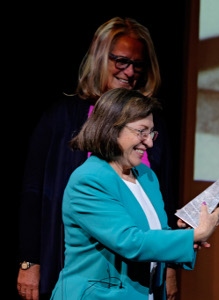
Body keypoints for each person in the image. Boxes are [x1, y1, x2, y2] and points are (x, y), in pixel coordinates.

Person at [17, 17, 180, 300]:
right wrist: (29, 262)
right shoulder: (61, 118)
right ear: (99, 58)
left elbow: (162, 202)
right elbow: (34, 195)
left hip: (136, 276)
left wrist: (170, 267)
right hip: (78, 267)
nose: (130, 72)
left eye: (138, 64)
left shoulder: (153, 127)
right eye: (121, 61)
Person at [49, 87, 219, 299]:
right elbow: (130, 242)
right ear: (112, 128)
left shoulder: (146, 176)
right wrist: (197, 235)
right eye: (142, 132)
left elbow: (152, 236)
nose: (149, 142)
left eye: (151, 133)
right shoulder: (89, 180)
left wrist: (185, 235)